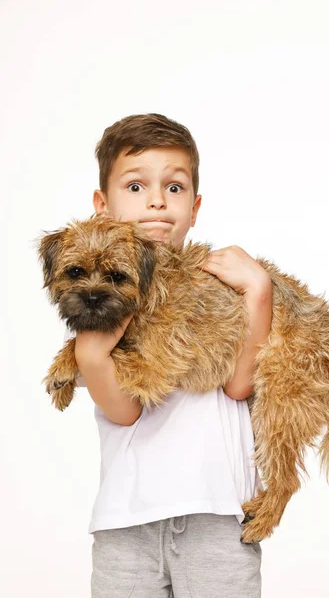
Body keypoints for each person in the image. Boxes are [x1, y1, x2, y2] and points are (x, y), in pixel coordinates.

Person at [64, 113, 273, 598]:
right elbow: (126, 409)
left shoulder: (220, 282)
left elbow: (240, 384)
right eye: (135, 186)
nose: (157, 200)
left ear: (195, 207)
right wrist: (91, 354)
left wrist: (258, 291)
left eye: (174, 188)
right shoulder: (105, 294)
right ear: (102, 205)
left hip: (217, 517)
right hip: (126, 521)